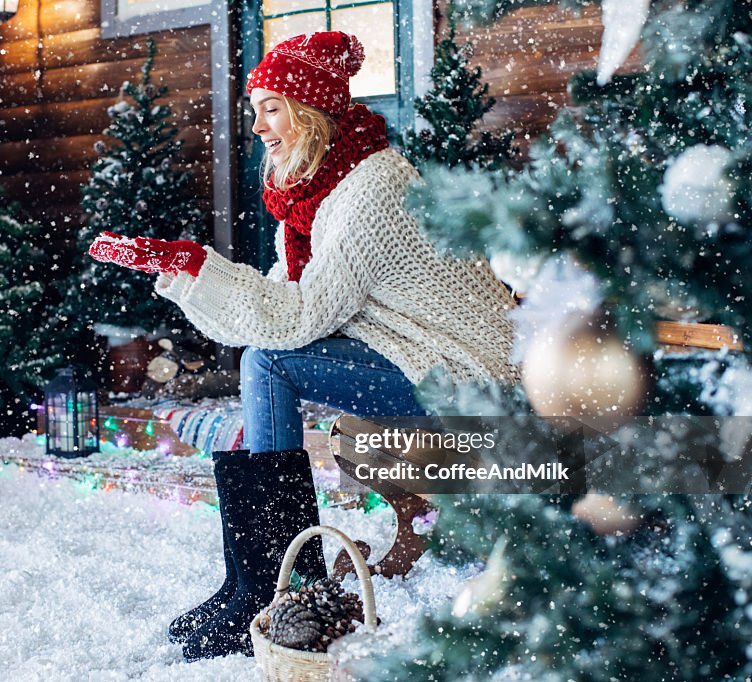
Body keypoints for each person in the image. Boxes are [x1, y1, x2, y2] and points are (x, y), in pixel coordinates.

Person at [88, 31, 518, 660]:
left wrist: (193, 267)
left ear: (311, 111)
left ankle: (274, 580)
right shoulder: (320, 195)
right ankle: (269, 577)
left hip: (468, 380)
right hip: (420, 362)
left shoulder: (370, 191)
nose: (259, 126)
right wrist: (183, 270)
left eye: (272, 108)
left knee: (269, 363)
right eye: (255, 109)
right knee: (266, 359)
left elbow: (297, 318)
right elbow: (279, 303)